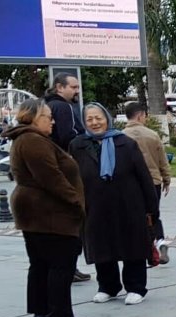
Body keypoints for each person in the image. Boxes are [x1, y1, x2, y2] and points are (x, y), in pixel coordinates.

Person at [5, 99, 88, 317]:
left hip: (37, 210)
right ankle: (60, 316)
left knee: (41, 262)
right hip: (49, 211)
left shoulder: (27, 138)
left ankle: (42, 310)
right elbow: (51, 177)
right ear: (33, 117)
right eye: (47, 116)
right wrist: (76, 201)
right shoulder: (33, 140)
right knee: (61, 262)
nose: (52, 121)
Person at [70, 103, 159, 305]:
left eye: (98, 118)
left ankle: (136, 287)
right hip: (94, 205)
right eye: (89, 119)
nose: (94, 123)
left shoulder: (125, 143)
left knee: (132, 247)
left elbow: (143, 176)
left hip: (128, 204)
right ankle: (108, 287)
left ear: (107, 118)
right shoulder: (78, 145)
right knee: (102, 247)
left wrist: (151, 208)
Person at [44, 72, 92, 282]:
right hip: (68, 169)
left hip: (54, 169)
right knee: (74, 220)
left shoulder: (47, 105)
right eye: (73, 87)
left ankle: (65, 266)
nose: (76, 91)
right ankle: (68, 267)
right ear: (59, 87)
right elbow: (69, 136)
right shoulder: (63, 107)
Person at [122, 102, 172, 265]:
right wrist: (166, 179)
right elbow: (162, 160)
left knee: (134, 217)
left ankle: (143, 249)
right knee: (153, 214)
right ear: (140, 115)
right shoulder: (152, 135)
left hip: (130, 183)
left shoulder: (120, 136)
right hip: (153, 181)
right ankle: (160, 242)